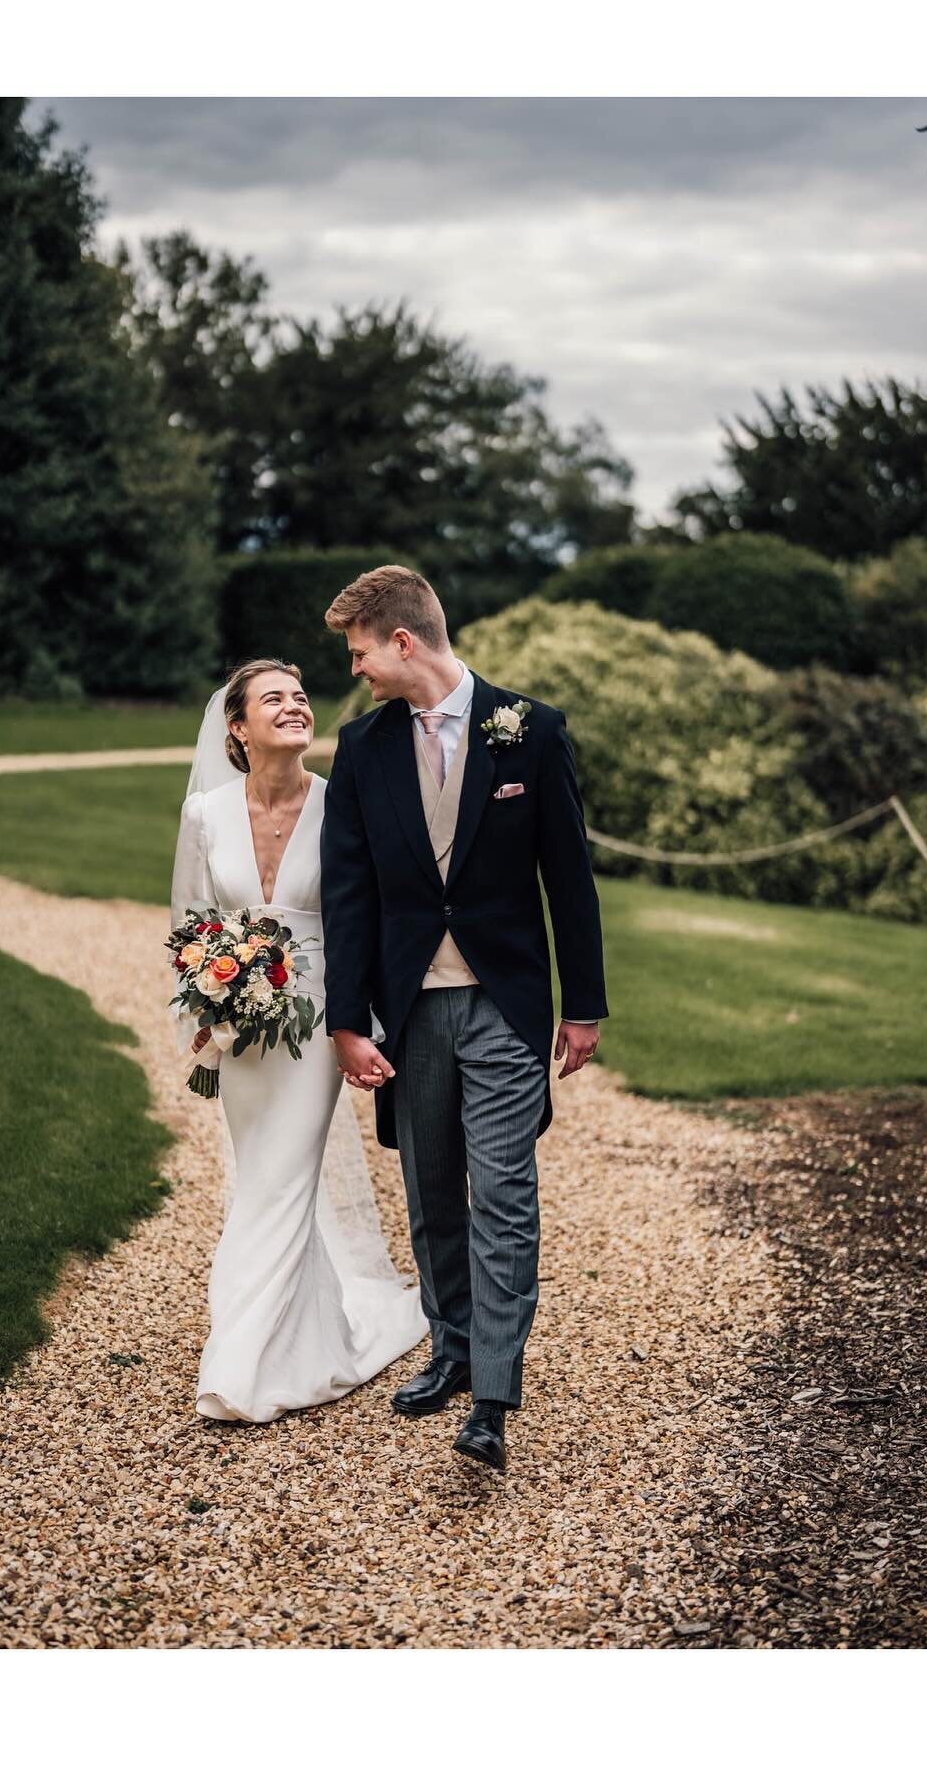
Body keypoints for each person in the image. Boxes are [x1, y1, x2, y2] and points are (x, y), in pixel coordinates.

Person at [319, 566, 607, 1472]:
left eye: (362, 651)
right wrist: (348, 1020)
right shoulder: (362, 748)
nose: (358, 670)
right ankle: (450, 1348)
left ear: (403, 642)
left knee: (505, 1196)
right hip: (410, 1011)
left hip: (507, 1006)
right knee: (432, 1194)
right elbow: (349, 894)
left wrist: (584, 1005)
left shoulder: (531, 729)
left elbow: (569, 878)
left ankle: (492, 1397)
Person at [170, 658, 426, 1423]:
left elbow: (367, 918)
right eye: (273, 699)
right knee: (263, 1176)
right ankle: (305, 1339)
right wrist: (202, 1015)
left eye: (301, 696)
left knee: (282, 1176)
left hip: (318, 1016)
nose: (294, 706)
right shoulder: (206, 814)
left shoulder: (338, 802)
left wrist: (363, 1025)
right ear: (238, 729)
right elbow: (190, 919)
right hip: (241, 1023)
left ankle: (240, 1362)